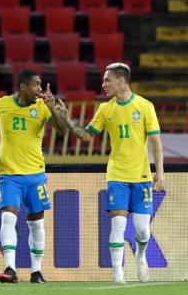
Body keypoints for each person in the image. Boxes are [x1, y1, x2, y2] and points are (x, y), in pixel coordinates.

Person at [63, 63, 165, 283]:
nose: (103, 84)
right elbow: (87, 136)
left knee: (142, 231)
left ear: (121, 81)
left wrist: (160, 171)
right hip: (117, 174)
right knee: (117, 224)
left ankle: (140, 254)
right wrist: (68, 121)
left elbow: (156, 143)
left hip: (141, 176)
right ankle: (117, 273)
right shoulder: (106, 109)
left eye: (107, 80)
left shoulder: (145, 106)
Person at [0, 69, 68, 284]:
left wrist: (53, 109)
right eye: (36, 85)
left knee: (36, 224)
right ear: (23, 87)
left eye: (40, 85)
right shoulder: (1, 105)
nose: (39, 89)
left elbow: (62, 130)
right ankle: (10, 268)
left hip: (36, 175)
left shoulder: (41, 107)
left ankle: (36, 271)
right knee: (8, 217)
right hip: (9, 176)